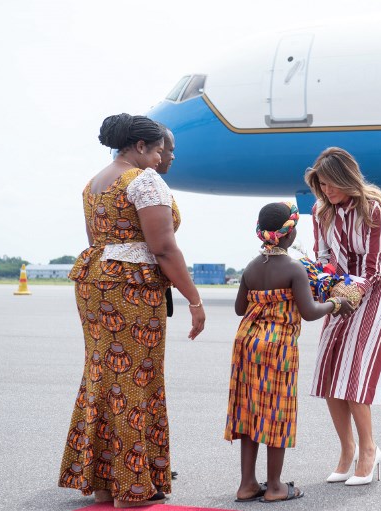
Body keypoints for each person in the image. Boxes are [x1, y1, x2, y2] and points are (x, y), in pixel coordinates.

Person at [58, 113, 205, 508]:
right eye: (157, 151)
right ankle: (132, 488)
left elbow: (98, 242)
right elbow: (164, 248)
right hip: (132, 289)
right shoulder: (144, 180)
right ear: (139, 146)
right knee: (136, 379)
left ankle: (105, 483)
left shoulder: (94, 183)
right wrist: (194, 299)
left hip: (95, 283)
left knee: (104, 376)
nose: (160, 158)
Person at [224, 201, 354, 503]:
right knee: (276, 413)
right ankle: (275, 487)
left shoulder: (251, 267)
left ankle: (247, 484)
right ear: (290, 234)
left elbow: (240, 308)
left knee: (249, 411)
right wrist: (335, 303)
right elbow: (309, 312)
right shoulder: (294, 269)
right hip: (278, 347)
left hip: (247, 343)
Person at [304, 147, 381, 486]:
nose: (326, 190)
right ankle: (347, 450)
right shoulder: (320, 211)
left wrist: (351, 294)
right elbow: (323, 257)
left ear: (347, 178)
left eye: (331, 183)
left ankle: (369, 449)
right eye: (321, 184)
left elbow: (373, 264)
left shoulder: (372, 207)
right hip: (339, 290)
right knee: (330, 367)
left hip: (375, 288)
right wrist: (323, 285)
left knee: (354, 366)